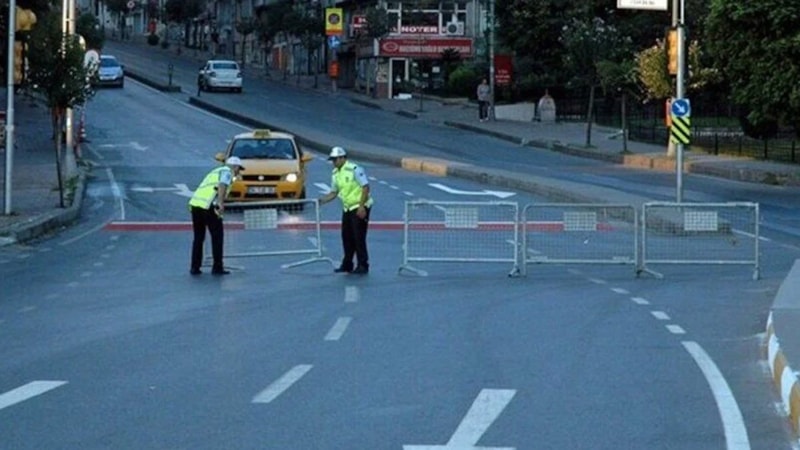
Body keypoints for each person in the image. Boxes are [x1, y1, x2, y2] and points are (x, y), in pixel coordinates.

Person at [319, 146, 373, 275]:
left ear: (342, 158)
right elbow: (334, 192)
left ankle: (363, 265)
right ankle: (347, 264)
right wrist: (320, 201)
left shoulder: (354, 169)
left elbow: (365, 187)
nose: (333, 162)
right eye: (332, 160)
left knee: (358, 237)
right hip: (347, 207)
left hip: (359, 206)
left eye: (335, 159)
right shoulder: (335, 173)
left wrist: (361, 206)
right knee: (346, 236)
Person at [188, 156, 245, 276]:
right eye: (239, 169)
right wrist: (220, 203)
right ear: (235, 167)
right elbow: (222, 185)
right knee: (217, 237)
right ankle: (217, 267)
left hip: (196, 205)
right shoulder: (227, 172)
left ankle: (195, 267)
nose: (238, 172)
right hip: (209, 206)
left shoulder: (215, 171)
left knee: (198, 238)